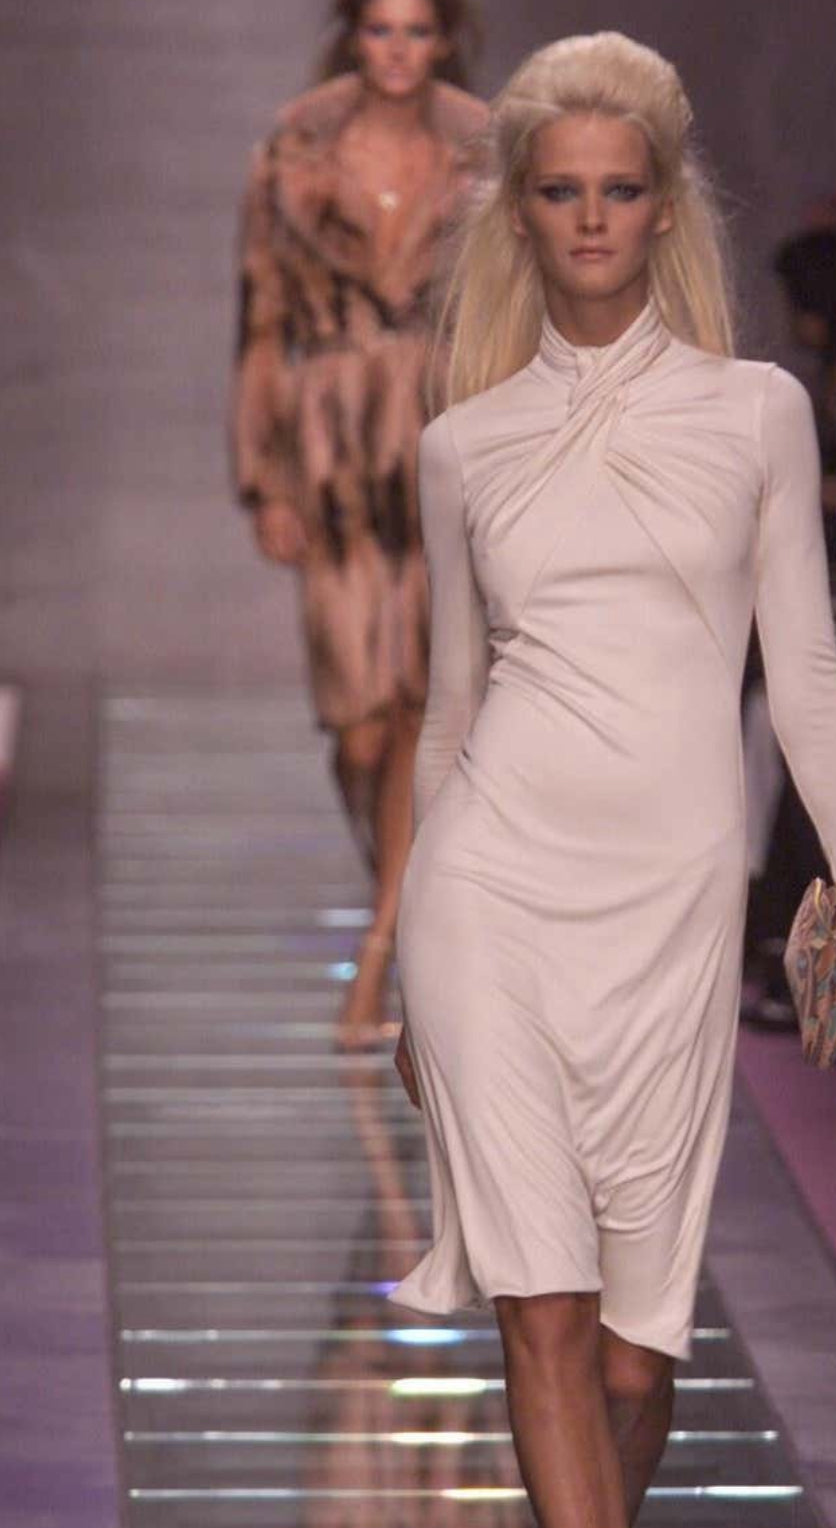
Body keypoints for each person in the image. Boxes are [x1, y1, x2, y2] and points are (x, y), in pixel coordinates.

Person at [389, 32, 836, 1527]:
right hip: (490, 888)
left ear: (665, 206)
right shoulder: (461, 446)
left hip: (670, 904)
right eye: (562, 191)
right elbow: (447, 711)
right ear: (522, 213)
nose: (593, 218)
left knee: (630, 1357)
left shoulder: (759, 412)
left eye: (619, 189)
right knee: (541, 1310)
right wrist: (406, 952)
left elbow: (805, 675)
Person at [231, 0, 487, 1050]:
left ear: (446, 38)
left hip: (439, 432)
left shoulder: (485, 152)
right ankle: (405, 899)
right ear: (352, 35)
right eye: (381, 29)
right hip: (332, 448)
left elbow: (505, 312)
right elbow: (259, 321)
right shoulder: (293, 152)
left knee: (422, 703)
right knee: (359, 725)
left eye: (417, 31)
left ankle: (386, 946)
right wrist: (265, 478)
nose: (398, 51)